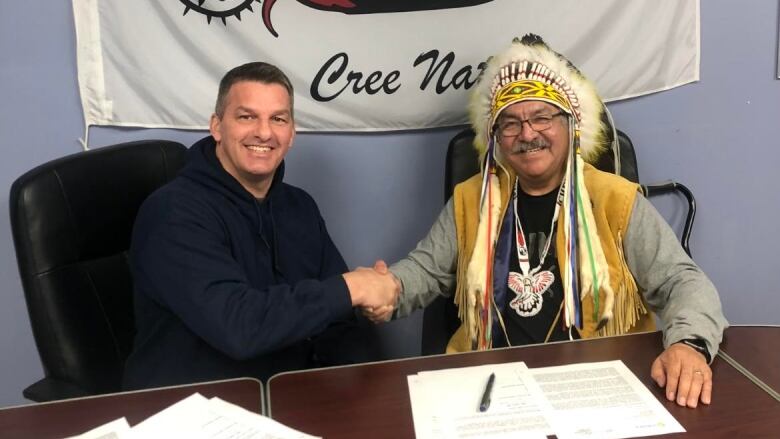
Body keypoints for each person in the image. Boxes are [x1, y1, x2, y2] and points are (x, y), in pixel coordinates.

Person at [365, 34, 728, 408]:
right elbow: (424, 271)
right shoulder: (471, 199)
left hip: (595, 381)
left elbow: (682, 281)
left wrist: (689, 344)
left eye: (542, 117)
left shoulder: (615, 199)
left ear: (571, 126)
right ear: (497, 139)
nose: (527, 134)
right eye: (510, 123)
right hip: (491, 384)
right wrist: (386, 287)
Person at [123, 62, 397, 389]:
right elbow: (240, 328)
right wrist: (354, 287)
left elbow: (338, 318)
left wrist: (361, 381)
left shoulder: (300, 206)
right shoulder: (173, 213)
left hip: (285, 398)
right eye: (246, 116)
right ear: (217, 126)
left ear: (292, 133)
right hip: (190, 408)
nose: (264, 133)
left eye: (278, 119)